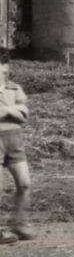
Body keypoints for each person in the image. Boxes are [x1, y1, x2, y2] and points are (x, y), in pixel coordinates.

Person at [0, 49, 32, 243]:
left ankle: (19, 222)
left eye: (4, 64)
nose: (3, 68)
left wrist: (7, 110)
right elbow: (18, 114)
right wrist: (14, 112)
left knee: (25, 184)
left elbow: (24, 116)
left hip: (14, 139)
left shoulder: (14, 89)